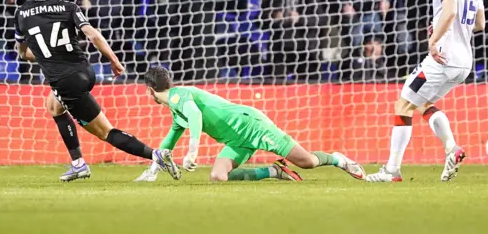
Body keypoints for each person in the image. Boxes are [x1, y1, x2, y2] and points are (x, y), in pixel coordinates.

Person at [14, 0, 181, 182]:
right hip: (85, 70)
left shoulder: (20, 14)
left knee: (105, 132)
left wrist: (45, 54)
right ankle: (77, 163)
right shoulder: (69, 6)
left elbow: (23, 53)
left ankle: (156, 156)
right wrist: (113, 60)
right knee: (54, 105)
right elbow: (93, 35)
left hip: (65, 80)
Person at [366, 0, 485, 183]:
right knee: (419, 104)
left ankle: (392, 170)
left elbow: (451, 10)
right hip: (464, 63)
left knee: (402, 106)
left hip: (443, 58)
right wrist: (446, 28)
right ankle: (452, 149)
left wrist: (433, 40)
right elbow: (480, 24)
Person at [135, 66, 366, 183]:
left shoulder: (179, 96)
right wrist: (154, 169)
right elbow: (167, 144)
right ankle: (274, 171)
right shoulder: (176, 109)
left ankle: (339, 159)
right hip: (236, 140)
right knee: (218, 176)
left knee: (307, 162)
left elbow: (195, 116)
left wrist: (192, 152)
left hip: (252, 126)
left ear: (149, 90)